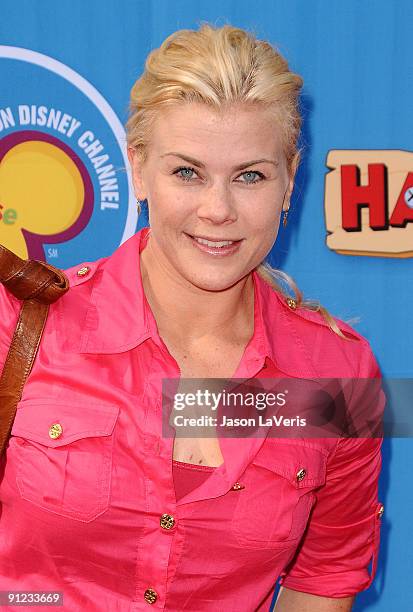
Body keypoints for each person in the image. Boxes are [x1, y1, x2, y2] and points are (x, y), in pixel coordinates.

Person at [0, 23, 385, 612]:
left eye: (250, 175)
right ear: (137, 167)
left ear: (290, 179)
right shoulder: (21, 327)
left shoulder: (338, 374)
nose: (218, 210)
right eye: (187, 172)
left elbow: (324, 580)